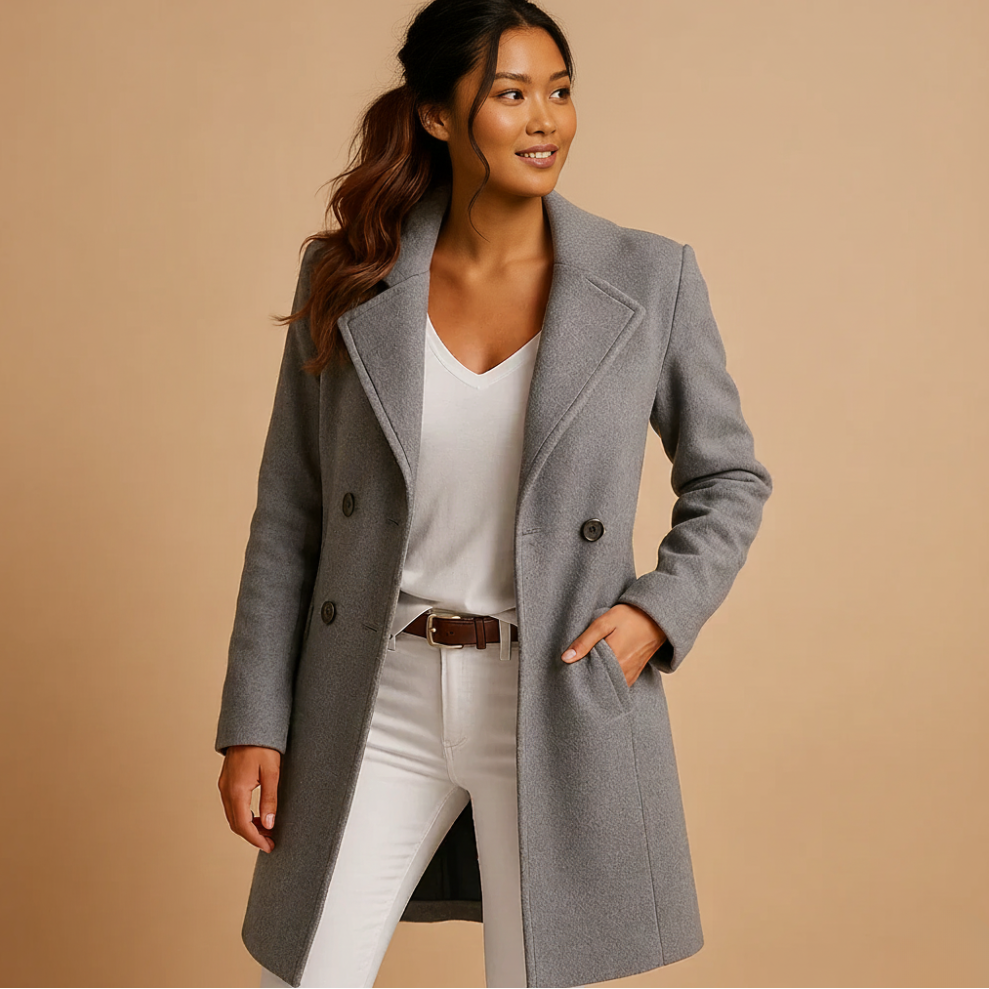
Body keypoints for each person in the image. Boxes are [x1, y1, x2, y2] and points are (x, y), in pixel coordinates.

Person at [215, 2, 773, 987]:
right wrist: (255, 717)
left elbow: (728, 476)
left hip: (552, 690)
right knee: (303, 973)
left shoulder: (649, 278)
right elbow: (290, 510)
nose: (544, 119)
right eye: (511, 94)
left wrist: (656, 611)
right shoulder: (348, 275)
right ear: (438, 114)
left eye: (559, 91)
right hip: (375, 689)